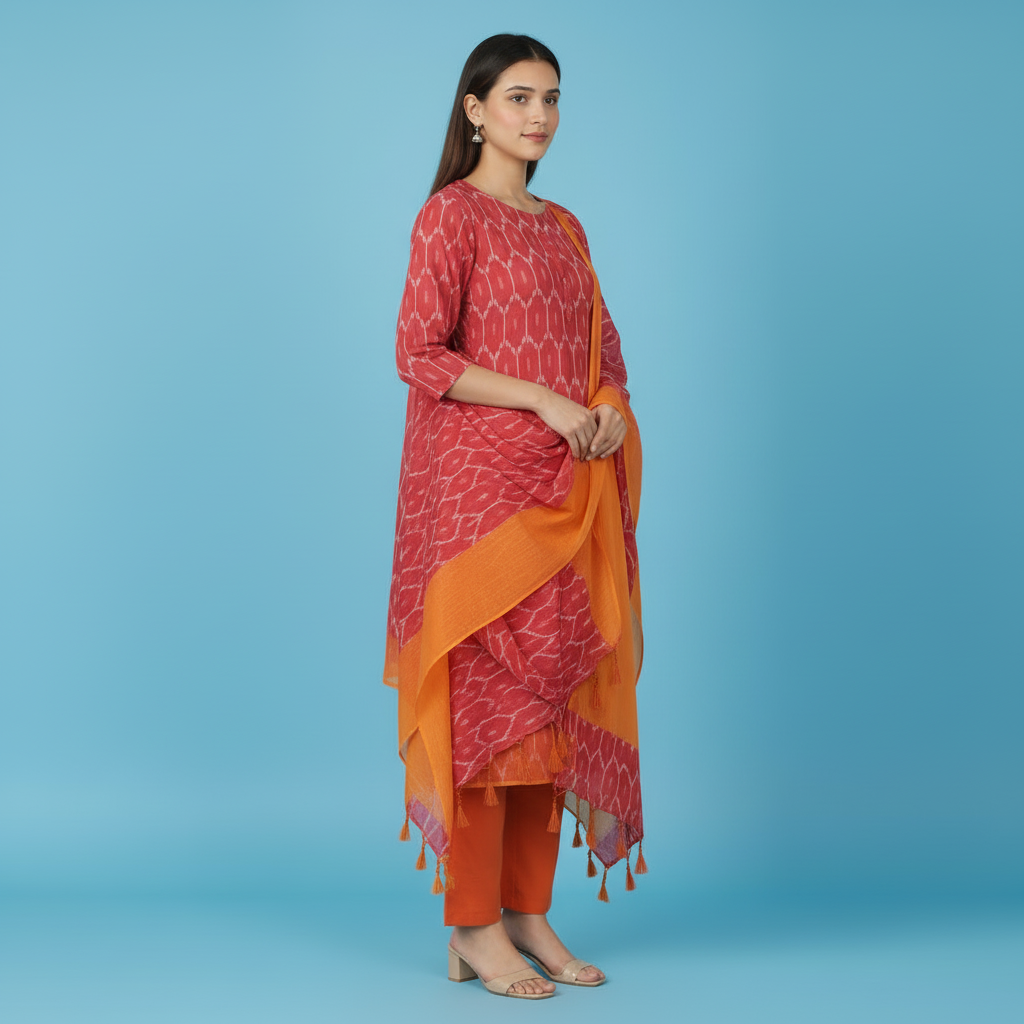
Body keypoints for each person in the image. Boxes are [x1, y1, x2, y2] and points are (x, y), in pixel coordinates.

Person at [383, 33, 646, 1000]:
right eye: (520, 97)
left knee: (552, 704)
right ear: (475, 109)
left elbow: (604, 350)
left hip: (565, 497)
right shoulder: (450, 216)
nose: (539, 116)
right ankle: (472, 927)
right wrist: (540, 401)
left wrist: (607, 412)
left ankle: (529, 914)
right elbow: (420, 353)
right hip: (480, 502)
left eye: (552, 99)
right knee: (488, 719)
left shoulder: (567, 225)